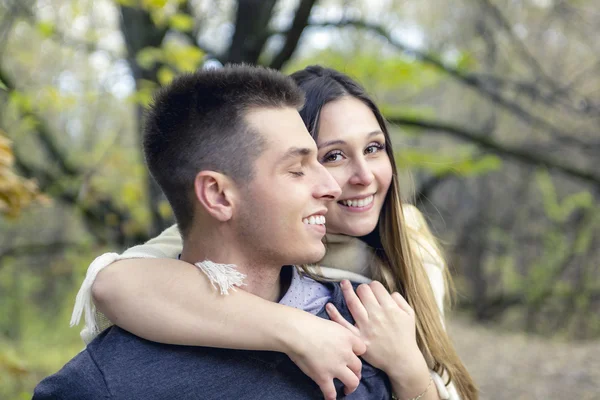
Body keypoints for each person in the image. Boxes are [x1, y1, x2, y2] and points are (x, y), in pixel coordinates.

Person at [71, 66, 477, 399]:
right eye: (327, 157)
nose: (362, 177)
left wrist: (408, 370)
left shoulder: (410, 242)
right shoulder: (223, 229)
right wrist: (297, 330)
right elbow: (115, 282)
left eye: (374, 148)